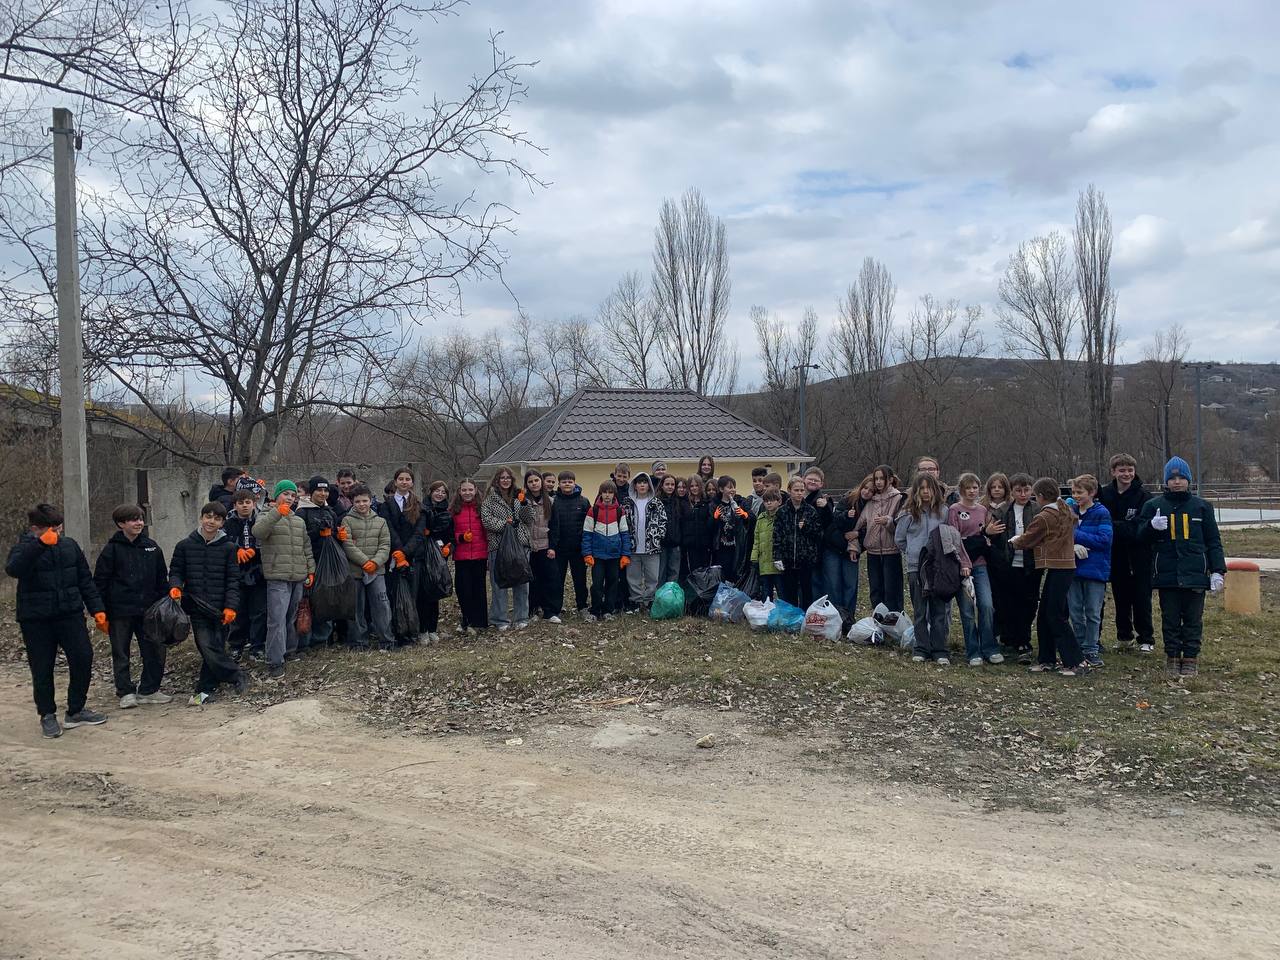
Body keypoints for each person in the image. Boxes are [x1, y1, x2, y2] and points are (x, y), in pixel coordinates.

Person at [6, 503, 109, 738]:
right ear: (35, 528)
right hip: (36, 619)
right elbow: (14, 569)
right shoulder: (24, 547)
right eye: (52, 529)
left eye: (59, 528)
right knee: (42, 666)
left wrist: (97, 609)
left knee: (83, 657)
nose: (57, 532)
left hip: (70, 614)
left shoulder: (69, 546)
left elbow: (85, 580)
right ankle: (47, 714)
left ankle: (76, 709)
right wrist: (40, 545)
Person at [1137, 456, 1226, 679]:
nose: (1177, 482)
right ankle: (1173, 656)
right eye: (1172, 478)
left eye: (1181, 478)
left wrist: (1217, 570)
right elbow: (1139, 537)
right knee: (1170, 618)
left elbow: (1213, 541)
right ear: (1166, 481)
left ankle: (1191, 658)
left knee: (1193, 619)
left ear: (1189, 480)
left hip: (1195, 573)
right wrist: (1151, 527)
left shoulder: (1202, 507)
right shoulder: (1153, 506)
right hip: (1167, 573)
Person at [169, 501, 246, 705]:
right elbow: (176, 571)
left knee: (215, 648)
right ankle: (236, 675)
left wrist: (231, 607)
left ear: (222, 522)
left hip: (221, 608)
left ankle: (204, 689)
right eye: (208, 516)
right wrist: (175, 586)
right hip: (196, 606)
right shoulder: (185, 545)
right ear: (201, 518)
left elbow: (233, 580)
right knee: (205, 646)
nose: (211, 521)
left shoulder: (229, 548)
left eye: (217, 518)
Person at [94, 503, 170, 708]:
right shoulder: (111, 550)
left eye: (141, 519)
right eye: (133, 519)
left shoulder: (152, 547)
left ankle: (149, 690)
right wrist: (99, 611)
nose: (139, 523)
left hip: (149, 611)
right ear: (121, 524)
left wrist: (165, 604)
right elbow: (100, 582)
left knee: (154, 650)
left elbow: (162, 578)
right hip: (120, 612)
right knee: (121, 652)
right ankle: (125, 692)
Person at [1008, 477, 1081, 676]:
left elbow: (1029, 538)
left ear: (1040, 496)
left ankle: (1075, 661)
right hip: (1063, 567)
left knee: (1055, 615)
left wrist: (1014, 541)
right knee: (1045, 615)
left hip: (1059, 567)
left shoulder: (1045, 516)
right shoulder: (1064, 509)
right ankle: (1046, 659)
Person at [253, 480, 315, 679]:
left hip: (298, 575)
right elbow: (258, 533)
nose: (289, 498)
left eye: (293, 495)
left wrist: (310, 570)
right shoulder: (265, 515)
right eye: (285, 494)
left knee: (291, 617)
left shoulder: (298, 521)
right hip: (277, 576)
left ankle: (290, 650)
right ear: (277, 495)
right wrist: (276, 513)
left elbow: (306, 547)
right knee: (276, 620)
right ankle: (275, 660)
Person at [894, 474, 955, 664]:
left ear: (935, 490)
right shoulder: (907, 513)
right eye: (922, 488)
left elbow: (950, 535)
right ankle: (921, 648)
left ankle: (939, 649)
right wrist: (913, 553)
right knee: (920, 610)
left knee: (939, 610)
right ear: (916, 491)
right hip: (916, 568)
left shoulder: (944, 512)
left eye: (929, 488)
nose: (926, 492)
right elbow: (899, 539)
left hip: (938, 568)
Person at [1100, 453, 1155, 652]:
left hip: (1140, 556)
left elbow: (1140, 527)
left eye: (1130, 470)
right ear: (1113, 472)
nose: (1126, 474)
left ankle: (1146, 638)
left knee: (1142, 599)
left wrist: (1116, 527)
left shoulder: (1145, 497)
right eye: (1122, 470)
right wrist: (1124, 527)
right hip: (1115, 555)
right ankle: (1124, 636)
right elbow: (1101, 523)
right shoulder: (1104, 495)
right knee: (1120, 597)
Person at [948, 472, 1002, 666]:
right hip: (962, 567)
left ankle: (989, 647)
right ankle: (973, 651)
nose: (972, 491)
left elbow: (986, 536)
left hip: (980, 565)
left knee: (986, 605)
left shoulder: (982, 510)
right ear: (961, 490)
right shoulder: (954, 510)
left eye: (975, 487)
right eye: (968, 488)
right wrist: (963, 563)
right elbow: (954, 539)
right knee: (967, 610)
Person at [339, 484, 394, 649]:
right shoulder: (347, 520)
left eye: (364, 501)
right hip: (355, 571)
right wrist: (365, 562)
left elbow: (385, 545)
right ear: (352, 502)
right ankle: (358, 641)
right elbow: (347, 544)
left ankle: (386, 640)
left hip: (377, 571)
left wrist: (375, 562)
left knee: (382, 605)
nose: (361, 504)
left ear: (371, 501)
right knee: (356, 607)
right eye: (357, 501)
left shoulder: (380, 521)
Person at [481, 466, 536, 631]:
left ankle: (521, 617)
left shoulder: (520, 496)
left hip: (520, 544)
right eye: (502, 478)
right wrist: (506, 524)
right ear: (497, 480)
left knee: (522, 583)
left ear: (512, 480)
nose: (505, 480)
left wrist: (524, 503)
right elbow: (487, 520)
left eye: (508, 478)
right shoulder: (489, 499)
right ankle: (500, 619)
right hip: (498, 546)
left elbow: (529, 518)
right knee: (499, 584)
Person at [1068, 474, 1113, 669]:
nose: (1076, 496)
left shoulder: (1101, 513)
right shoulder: (1070, 511)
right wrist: (1072, 543)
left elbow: (1104, 540)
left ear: (1092, 492)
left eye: (1080, 492)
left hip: (1095, 569)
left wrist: (1076, 535)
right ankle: (1079, 645)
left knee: (1093, 612)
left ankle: (1091, 647)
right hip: (1072, 568)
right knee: (1075, 611)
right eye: (1073, 492)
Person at [379, 467, 426, 645]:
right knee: (393, 594)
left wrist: (405, 552)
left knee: (412, 594)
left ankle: (412, 631)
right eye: (401, 479)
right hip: (393, 556)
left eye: (407, 479)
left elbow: (419, 533)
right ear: (395, 482)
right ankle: (397, 632)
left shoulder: (419, 505)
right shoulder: (386, 505)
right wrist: (398, 552)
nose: (404, 482)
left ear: (412, 482)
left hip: (413, 556)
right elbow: (388, 528)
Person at [999, 473, 1042, 664]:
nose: (1023, 494)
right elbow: (995, 534)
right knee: (1009, 603)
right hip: (1009, 563)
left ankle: (1024, 639)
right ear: (1012, 491)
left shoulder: (1037, 509)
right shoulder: (1003, 509)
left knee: (1029, 602)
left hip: (1031, 563)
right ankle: (1009, 639)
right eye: (1018, 490)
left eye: (1026, 490)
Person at [296, 476, 340, 650]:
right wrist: (316, 532)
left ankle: (322, 640)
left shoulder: (331, 512)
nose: (323, 494)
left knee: (325, 600)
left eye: (325, 490)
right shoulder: (302, 512)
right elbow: (299, 539)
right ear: (311, 492)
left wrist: (337, 535)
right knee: (306, 604)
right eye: (319, 490)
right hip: (309, 563)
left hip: (327, 563)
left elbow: (335, 535)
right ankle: (304, 642)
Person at [855, 465, 905, 612]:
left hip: (892, 552)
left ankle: (895, 618)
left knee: (892, 590)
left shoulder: (899, 498)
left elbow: (901, 528)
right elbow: (858, 525)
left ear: (890, 479)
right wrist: (853, 540)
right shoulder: (871, 501)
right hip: (873, 553)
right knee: (875, 590)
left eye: (882, 478)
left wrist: (888, 522)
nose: (878, 482)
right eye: (876, 478)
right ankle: (878, 619)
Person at [225, 487, 267, 660]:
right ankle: (236, 645)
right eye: (240, 503)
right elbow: (224, 542)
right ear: (235, 505)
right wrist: (236, 550)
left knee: (259, 611)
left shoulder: (260, 520)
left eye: (248, 502)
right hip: (237, 573)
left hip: (258, 572)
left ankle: (257, 645)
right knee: (239, 611)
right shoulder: (228, 523)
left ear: (254, 503)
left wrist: (256, 551)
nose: (244, 506)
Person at [583, 480, 632, 621]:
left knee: (612, 583)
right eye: (604, 492)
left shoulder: (619, 511)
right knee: (597, 584)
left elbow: (625, 534)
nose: (607, 495)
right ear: (600, 493)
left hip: (614, 556)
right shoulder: (593, 511)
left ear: (614, 494)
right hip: (597, 556)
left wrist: (625, 555)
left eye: (610, 492)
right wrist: (587, 553)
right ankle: (595, 610)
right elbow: (587, 534)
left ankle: (608, 610)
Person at [546, 471, 590, 623]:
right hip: (559, 549)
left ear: (574, 483)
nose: (567, 484)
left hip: (578, 548)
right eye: (564, 481)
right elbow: (550, 525)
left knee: (580, 580)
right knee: (557, 580)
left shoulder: (584, 502)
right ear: (559, 484)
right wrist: (552, 546)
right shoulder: (553, 502)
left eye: (570, 481)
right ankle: (555, 609)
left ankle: (582, 607)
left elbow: (589, 525)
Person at [622, 471, 667, 611]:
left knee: (652, 577)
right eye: (639, 483)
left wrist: (658, 536)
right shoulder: (627, 503)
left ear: (649, 486)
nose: (642, 485)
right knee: (633, 577)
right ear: (634, 486)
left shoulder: (656, 502)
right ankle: (636, 601)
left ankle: (649, 601)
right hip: (633, 548)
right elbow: (622, 522)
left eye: (645, 482)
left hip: (652, 548)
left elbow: (663, 521)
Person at [774, 476, 821, 608]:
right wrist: (777, 556)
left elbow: (818, 533)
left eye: (801, 490)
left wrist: (806, 527)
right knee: (789, 592)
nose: (799, 493)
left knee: (807, 592)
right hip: (787, 559)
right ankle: (793, 616)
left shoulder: (810, 511)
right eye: (796, 490)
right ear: (789, 491)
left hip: (805, 559)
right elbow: (777, 535)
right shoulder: (782, 511)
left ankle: (806, 615)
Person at [823, 479, 868, 612]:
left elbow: (871, 530)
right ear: (861, 487)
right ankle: (835, 614)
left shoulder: (872, 506)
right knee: (833, 584)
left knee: (850, 585)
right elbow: (835, 519)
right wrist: (847, 515)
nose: (867, 492)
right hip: (834, 546)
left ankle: (848, 615)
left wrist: (858, 534)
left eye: (871, 491)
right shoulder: (848, 499)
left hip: (853, 550)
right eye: (865, 488)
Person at [450, 478, 489, 633]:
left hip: (480, 555)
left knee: (479, 589)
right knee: (463, 589)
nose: (467, 493)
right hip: (462, 556)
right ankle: (467, 619)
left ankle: (480, 621)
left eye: (470, 490)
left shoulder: (482, 508)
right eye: (464, 490)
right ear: (459, 492)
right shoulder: (453, 510)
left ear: (475, 490)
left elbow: (487, 531)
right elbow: (449, 532)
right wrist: (460, 537)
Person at [419, 480, 455, 643]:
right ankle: (422, 629)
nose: (440, 494)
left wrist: (449, 548)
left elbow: (451, 537)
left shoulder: (447, 514)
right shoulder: (421, 509)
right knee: (422, 594)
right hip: (422, 556)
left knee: (434, 593)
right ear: (430, 492)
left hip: (439, 557)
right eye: (437, 491)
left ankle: (432, 629)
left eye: (443, 492)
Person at [981, 472, 1013, 649]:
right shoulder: (983, 507)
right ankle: (993, 633)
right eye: (993, 487)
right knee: (991, 599)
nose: (997, 490)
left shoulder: (1011, 506)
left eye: (1000, 487)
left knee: (1007, 598)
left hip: (1007, 555)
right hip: (988, 556)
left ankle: (1008, 634)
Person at [523, 471, 554, 621]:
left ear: (541, 482)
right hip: (528, 545)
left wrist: (552, 546)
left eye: (536, 480)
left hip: (545, 545)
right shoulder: (522, 501)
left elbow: (554, 525)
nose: (534, 484)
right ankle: (532, 609)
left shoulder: (550, 501)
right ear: (526, 484)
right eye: (530, 481)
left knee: (546, 578)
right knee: (531, 580)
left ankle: (548, 610)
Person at [707, 475, 752, 576]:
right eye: (730, 487)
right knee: (722, 573)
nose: (733, 490)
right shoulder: (714, 504)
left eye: (734, 487)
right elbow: (709, 527)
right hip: (721, 547)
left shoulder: (740, 502)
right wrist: (714, 518)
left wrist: (745, 515)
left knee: (735, 573)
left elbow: (752, 518)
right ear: (721, 489)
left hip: (737, 546)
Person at [802, 467, 833, 598]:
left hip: (816, 548)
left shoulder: (824, 500)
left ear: (821, 484)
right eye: (810, 479)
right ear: (803, 479)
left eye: (816, 480)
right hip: (800, 548)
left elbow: (829, 521)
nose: (813, 482)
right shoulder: (798, 497)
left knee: (816, 581)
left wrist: (825, 507)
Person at [751, 488, 783, 599]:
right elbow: (756, 539)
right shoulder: (761, 518)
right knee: (766, 593)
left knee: (781, 592)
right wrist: (754, 557)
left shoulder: (782, 516)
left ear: (779, 501)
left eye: (772, 500)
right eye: (766, 501)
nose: (768, 503)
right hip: (764, 562)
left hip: (778, 562)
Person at [656, 473, 686, 584]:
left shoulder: (679, 502)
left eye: (672, 484)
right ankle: (660, 594)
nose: (670, 487)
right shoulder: (657, 501)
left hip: (675, 544)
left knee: (674, 573)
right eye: (667, 484)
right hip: (661, 544)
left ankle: (671, 594)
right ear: (662, 485)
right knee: (660, 573)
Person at [681, 474, 711, 578]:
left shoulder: (707, 502)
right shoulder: (684, 503)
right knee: (692, 571)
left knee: (705, 571)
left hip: (705, 544)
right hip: (690, 544)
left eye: (696, 485)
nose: (694, 488)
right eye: (692, 486)